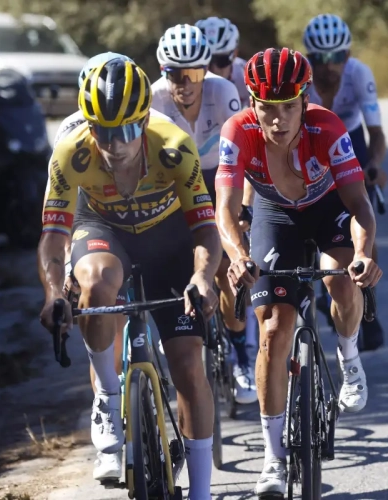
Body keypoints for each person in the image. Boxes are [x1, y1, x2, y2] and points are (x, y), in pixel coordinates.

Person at [38, 58, 220, 499]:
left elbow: (204, 229)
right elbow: (52, 235)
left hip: (170, 239)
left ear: (144, 119)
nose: (114, 144)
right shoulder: (70, 151)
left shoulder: (174, 144)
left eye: (125, 131)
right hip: (104, 231)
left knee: (188, 369)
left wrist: (202, 276)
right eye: (102, 130)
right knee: (95, 286)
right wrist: (51, 293)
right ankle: (105, 397)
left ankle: (200, 492)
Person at [215, 47, 382, 497]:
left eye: (288, 107)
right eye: (267, 108)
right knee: (273, 327)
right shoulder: (237, 132)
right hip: (274, 215)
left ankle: (349, 357)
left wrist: (363, 254)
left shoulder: (327, 127)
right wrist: (236, 254)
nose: (278, 119)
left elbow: (360, 206)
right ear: (252, 103)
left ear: (304, 100)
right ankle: (272, 459)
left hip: (327, 208)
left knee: (339, 279)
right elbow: (226, 211)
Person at [47, 51, 178, 482]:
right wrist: (65, 279)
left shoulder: (156, 128)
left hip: (152, 218)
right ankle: (106, 402)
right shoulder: (71, 136)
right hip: (96, 216)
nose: (113, 138)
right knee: (96, 301)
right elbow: (58, 224)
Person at [152, 23, 258, 406]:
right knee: (179, 258)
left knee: (228, 267)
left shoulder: (224, 91)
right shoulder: (154, 100)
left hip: (219, 177)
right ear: (164, 73)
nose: (184, 83)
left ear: (205, 71)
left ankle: (241, 356)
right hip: (176, 182)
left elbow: (243, 156)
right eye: (174, 75)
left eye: (194, 73)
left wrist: (242, 207)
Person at [302, 13, 387, 350]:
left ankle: (369, 301)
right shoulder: (302, 80)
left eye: (337, 56)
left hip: (350, 140)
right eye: (320, 58)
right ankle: (323, 286)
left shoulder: (359, 74)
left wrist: (376, 166)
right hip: (309, 144)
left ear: (347, 56)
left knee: (364, 216)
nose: (329, 66)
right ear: (309, 58)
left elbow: (376, 134)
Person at [195, 17, 249, 107]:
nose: (214, 69)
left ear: (235, 54)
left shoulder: (246, 75)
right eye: (206, 61)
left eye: (221, 61)